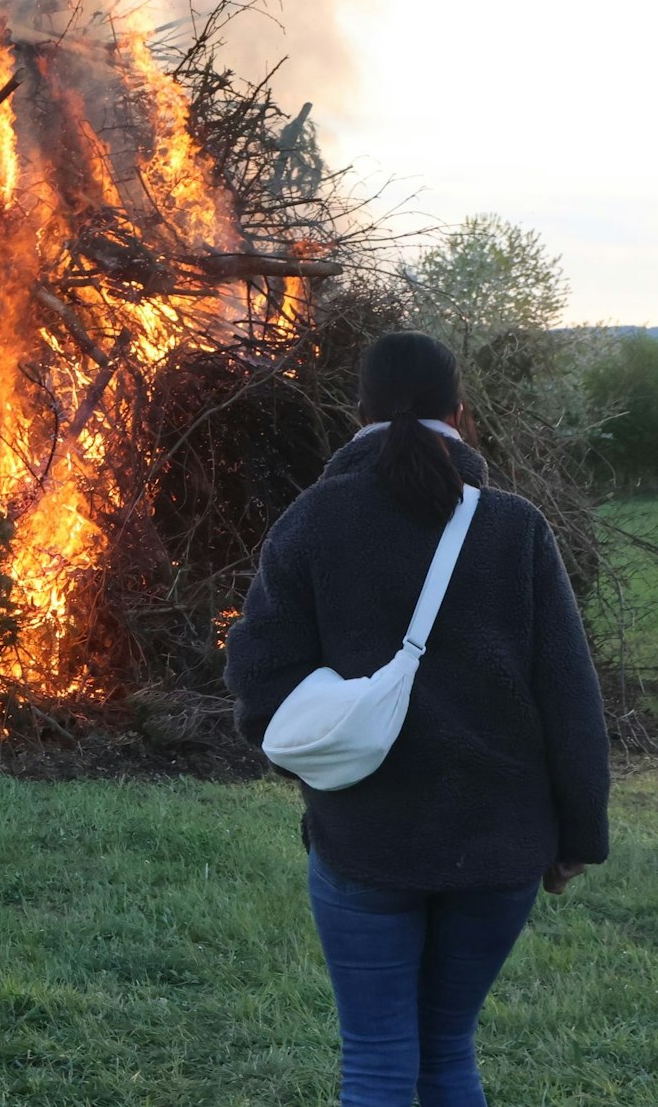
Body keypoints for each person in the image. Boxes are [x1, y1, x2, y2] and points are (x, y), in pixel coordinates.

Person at [224, 331, 611, 1106]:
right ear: (458, 413)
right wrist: (577, 838)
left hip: (364, 839)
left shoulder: (311, 520)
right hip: (500, 846)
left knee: (375, 1064)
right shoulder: (514, 526)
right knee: (447, 1052)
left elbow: (257, 675)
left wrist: (310, 754)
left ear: (357, 412)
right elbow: (570, 697)